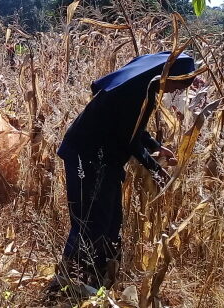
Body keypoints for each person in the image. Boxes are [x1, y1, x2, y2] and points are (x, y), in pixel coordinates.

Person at [56, 52, 196, 288]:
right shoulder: (137, 92)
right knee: (89, 220)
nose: (176, 92)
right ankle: (67, 281)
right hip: (86, 156)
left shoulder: (143, 86)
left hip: (104, 159)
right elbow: (127, 139)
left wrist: (156, 147)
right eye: (178, 85)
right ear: (169, 74)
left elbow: (133, 127)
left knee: (110, 221)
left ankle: (97, 279)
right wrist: (155, 169)